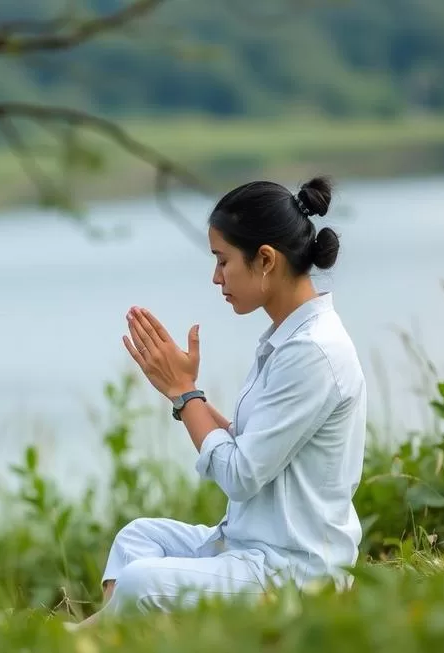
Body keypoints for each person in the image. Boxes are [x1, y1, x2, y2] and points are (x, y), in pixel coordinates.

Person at [73, 175, 367, 626]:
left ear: (265, 259)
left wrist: (184, 393)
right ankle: (105, 636)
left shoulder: (313, 352)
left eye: (222, 260)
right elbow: (249, 446)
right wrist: (184, 394)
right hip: (247, 545)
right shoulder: (286, 340)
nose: (216, 278)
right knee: (136, 540)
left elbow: (242, 476)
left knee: (140, 582)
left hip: (294, 571)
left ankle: (78, 639)